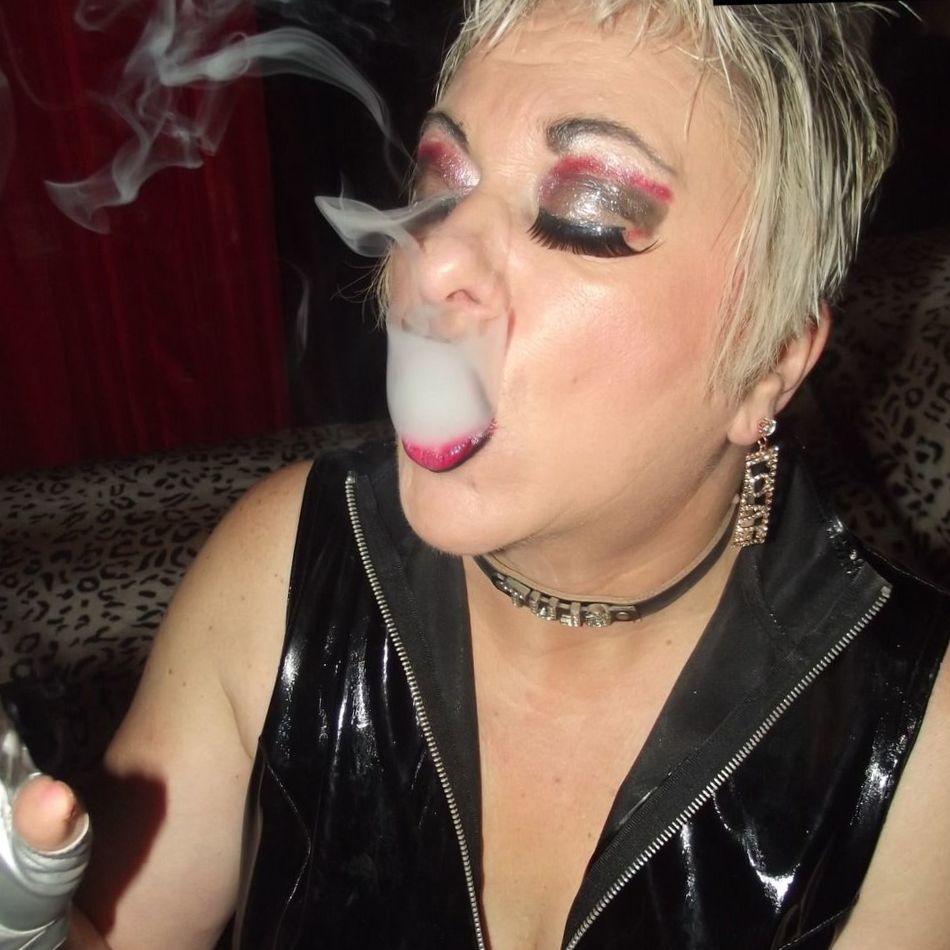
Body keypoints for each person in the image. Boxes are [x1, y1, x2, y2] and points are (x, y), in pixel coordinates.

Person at [8, 0, 950, 947]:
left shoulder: (922, 747)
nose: (433, 258)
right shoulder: (281, 566)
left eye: (585, 213)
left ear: (771, 362)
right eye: (439, 181)